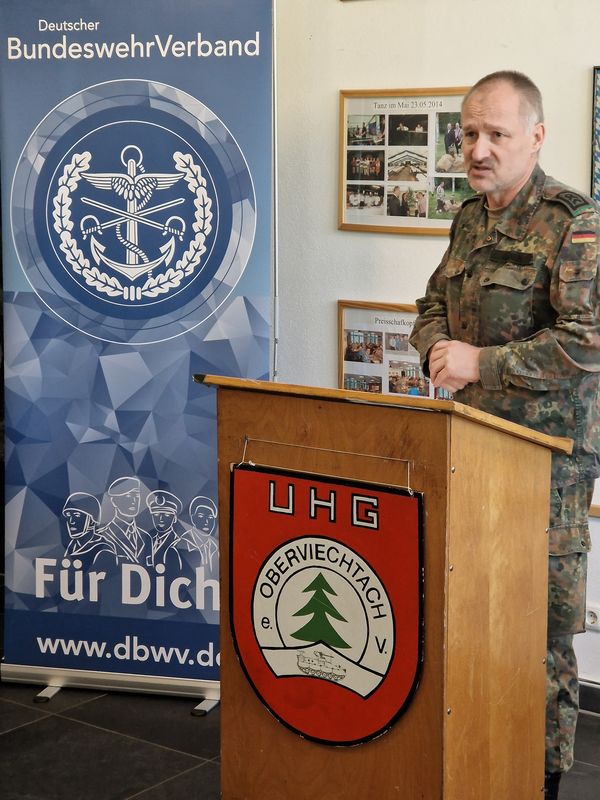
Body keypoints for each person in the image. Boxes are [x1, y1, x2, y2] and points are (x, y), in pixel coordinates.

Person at [408, 71, 600, 800]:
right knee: (476, 620)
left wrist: (479, 362)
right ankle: (482, 765)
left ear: (537, 136)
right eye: (469, 134)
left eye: (496, 134)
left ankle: (543, 780)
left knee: (541, 636)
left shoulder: (575, 222)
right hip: (472, 454)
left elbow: (588, 342)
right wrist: (435, 347)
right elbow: (431, 302)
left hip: (545, 469)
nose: (478, 149)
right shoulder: (470, 218)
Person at [98, 476, 153, 565]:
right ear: (114, 500)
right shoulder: (103, 535)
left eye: (136, 496)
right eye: (128, 496)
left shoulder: (146, 537)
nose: (134, 501)